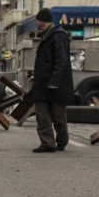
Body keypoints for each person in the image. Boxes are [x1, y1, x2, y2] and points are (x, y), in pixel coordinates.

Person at [28, 8, 74, 153]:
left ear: (43, 20)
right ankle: (47, 143)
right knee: (41, 114)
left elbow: (61, 60)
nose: (36, 23)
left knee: (58, 115)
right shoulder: (46, 35)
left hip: (56, 84)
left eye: (37, 20)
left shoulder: (58, 35)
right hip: (42, 84)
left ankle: (61, 141)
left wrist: (55, 81)